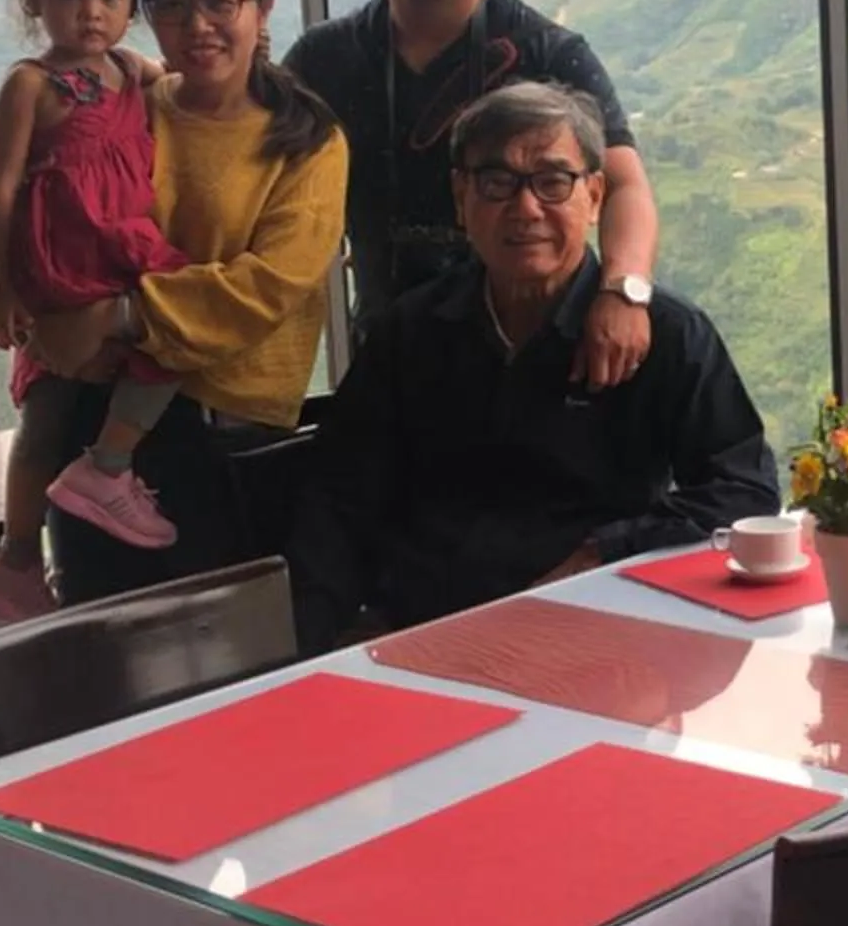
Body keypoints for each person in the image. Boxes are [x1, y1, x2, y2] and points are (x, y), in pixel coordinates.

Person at [291, 81, 777, 647]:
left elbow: (744, 490)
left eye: (552, 182)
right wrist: (313, 647)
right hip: (424, 635)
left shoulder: (666, 334)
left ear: (595, 196)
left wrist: (603, 552)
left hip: (604, 637)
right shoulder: (412, 330)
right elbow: (339, 497)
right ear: (460, 197)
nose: (525, 209)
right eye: (497, 183)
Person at [19, 0, 348, 603]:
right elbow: (51, 204)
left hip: (226, 441)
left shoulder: (307, 139)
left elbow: (264, 288)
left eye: (219, 3)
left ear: (263, 9)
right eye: (171, 5)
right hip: (95, 420)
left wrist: (115, 316)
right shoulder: (127, 105)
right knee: (101, 657)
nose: (197, 25)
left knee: (224, 671)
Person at [283, 0, 659, 377]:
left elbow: (625, 185)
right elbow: (245, 158)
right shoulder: (324, 60)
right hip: (391, 370)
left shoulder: (547, 54)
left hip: (533, 362)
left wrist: (624, 293)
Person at [0, 0, 190, 625]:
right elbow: (1, 188)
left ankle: (106, 469)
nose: (89, 12)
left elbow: (198, 94)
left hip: (122, 256)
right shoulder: (31, 84)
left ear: (132, 3)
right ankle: (18, 554)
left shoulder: (135, 69)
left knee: (185, 331)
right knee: (49, 409)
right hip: (64, 267)